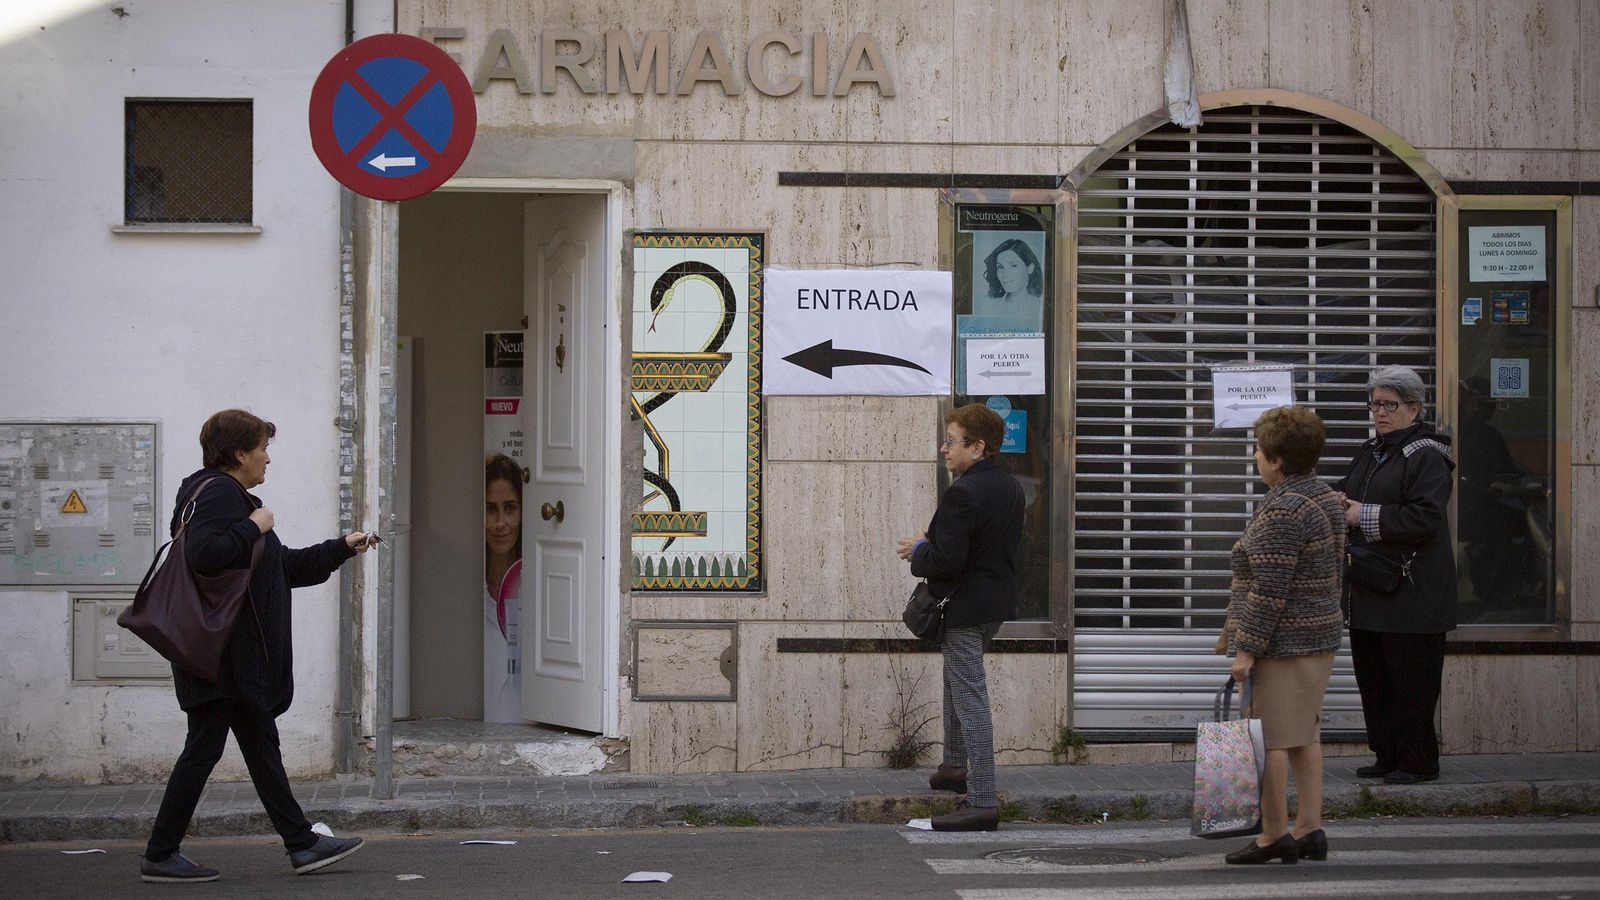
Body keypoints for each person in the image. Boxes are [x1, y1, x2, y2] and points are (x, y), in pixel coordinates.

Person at [141, 410, 370, 883]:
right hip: (224, 656)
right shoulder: (222, 494)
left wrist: (342, 547)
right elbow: (204, 554)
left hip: (229, 657)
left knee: (258, 747)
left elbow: (280, 568)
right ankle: (162, 854)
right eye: (262, 447)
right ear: (240, 453)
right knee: (204, 748)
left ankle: (302, 843)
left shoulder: (219, 496)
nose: (268, 457)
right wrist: (256, 524)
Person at [1218, 406, 1345, 864]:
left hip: (1283, 646)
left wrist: (1245, 651)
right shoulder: (1326, 499)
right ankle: (1309, 827)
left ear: (1275, 460)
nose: (1254, 456)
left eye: (1257, 449)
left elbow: (1268, 593)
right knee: (1303, 738)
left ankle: (1274, 835)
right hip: (1319, 639)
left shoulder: (1281, 513)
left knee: (1269, 741)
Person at [897, 403, 1024, 832]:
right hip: (992, 607)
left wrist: (918, 550)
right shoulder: (1010, 487)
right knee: (956, 681)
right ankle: (954, 766)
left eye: (952, 441)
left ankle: (983, 800)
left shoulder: (962, 492)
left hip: (964, 609)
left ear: (977, 446)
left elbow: (945, 561)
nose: (944, 448)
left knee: (971, 700)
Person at [1336, 366, 1458, 786]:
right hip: (1371, 587)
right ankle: (1386, 754)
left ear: (1414, 408)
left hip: (1412, 593)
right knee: (1375, 678)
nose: (1380, 413)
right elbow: (1349, 490)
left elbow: (1425, 517)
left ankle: (1419, 760)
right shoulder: (1373, 451)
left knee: (1411, 682)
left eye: (1390, 405)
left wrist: (1362, 514)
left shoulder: (1426, 454)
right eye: (1375, 404)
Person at [484, 453, 524, 722]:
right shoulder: (470, 587)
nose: (500, 523)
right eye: (490, 509)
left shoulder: (538, 581)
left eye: (509, 508)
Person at [971, 238, 1044, 331]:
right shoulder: (986, 305)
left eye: (1013, 266)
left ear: (1030, 268)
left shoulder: (1040, 309)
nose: (1005, 274)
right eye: (1000, 267)